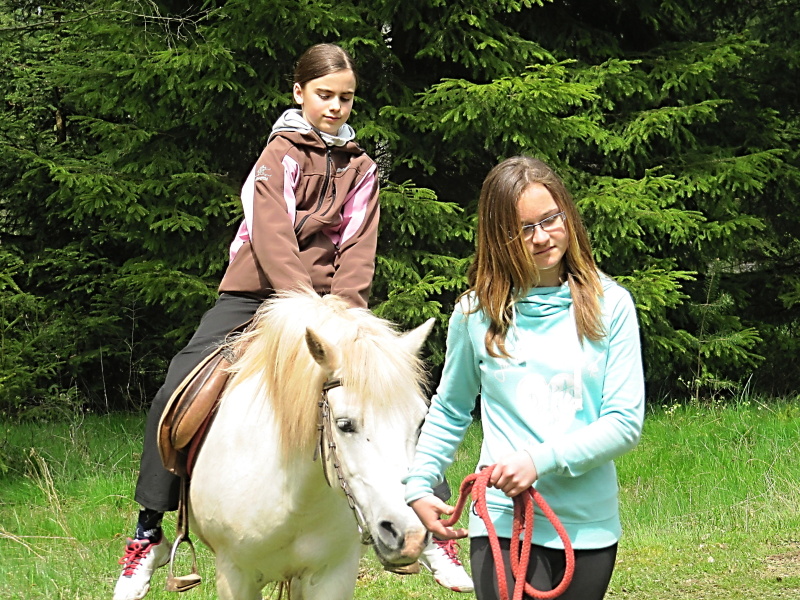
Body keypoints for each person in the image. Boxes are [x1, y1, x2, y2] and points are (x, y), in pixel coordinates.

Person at [113, 42, 469, 600]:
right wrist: (301, 302)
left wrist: (344, 307)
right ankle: (150, 530)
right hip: (256, 292)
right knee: (177, 386)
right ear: (299, 92)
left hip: (333, 303)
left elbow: (359, 246)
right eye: (324, 95)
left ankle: (429, 525)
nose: (335, 106)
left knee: (389, 391)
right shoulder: (276, 157)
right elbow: (271, 235)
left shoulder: (362, 168)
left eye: (346, 98)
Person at [404, 156, 645, 600]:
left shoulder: (612, 305)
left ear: (567, 216)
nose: (541, 237)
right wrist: (419, 483)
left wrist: (539, 460)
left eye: (550, 219)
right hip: (500, 519)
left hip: (587, 526)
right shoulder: (474, 313)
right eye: (522, 229)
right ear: (499, 238)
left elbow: (624, 423)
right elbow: (451, 408)